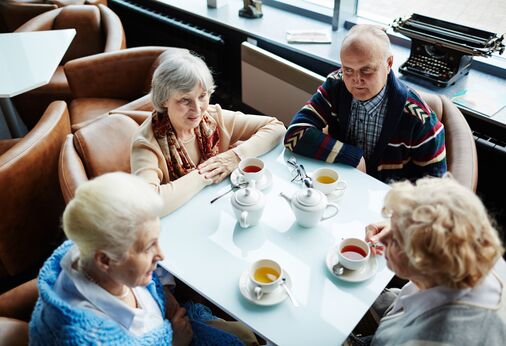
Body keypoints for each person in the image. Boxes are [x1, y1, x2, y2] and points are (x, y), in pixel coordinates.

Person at [29, 172, 256, 345]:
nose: (161, 255)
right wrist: (172, 341)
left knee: (246, 335)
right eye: (148, 247)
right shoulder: (85, 337)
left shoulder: (92, 247)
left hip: (179, 324)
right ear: (105, 261)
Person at [284, 24, 446, 183]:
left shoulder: (419, 117)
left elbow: (435, 185)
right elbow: (294, 134)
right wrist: (353, 157)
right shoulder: (336, 85)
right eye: (348, 70)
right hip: (342, 186)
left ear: (388, 64)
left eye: (366, 70)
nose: (356, 80)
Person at [131, 51, 286, 215]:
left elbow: (276, 127)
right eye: (185, 100)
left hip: (215, 208)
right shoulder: (146, 143)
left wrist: (235, 156)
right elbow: (147, 203)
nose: (197, 109)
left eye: (202, 96)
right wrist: (205, 175)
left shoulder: (212, 117)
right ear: (164, 100)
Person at [362, 176, 506, 345]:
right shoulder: (476, 249)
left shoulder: (431, 339)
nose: (383, 238)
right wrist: (403, 225)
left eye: (396, 241)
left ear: (426, 264)